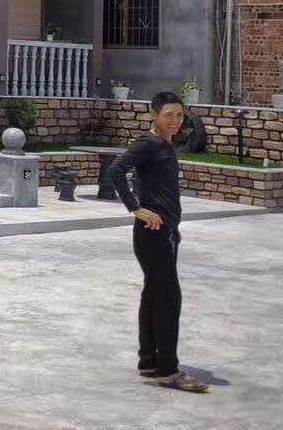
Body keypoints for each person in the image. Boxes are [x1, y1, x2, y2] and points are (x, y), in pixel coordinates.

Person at [105, 91, 210, 394]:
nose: (175, 120)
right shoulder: (147, 144)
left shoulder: (165, 145)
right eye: (168, 115)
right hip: (152, 233)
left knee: (153, 295)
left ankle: (148, 361)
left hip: (165, 233)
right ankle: (167, 371)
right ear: (153, 114)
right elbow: (115, 170)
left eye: (179, 115)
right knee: (169, 298)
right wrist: (136, 209)